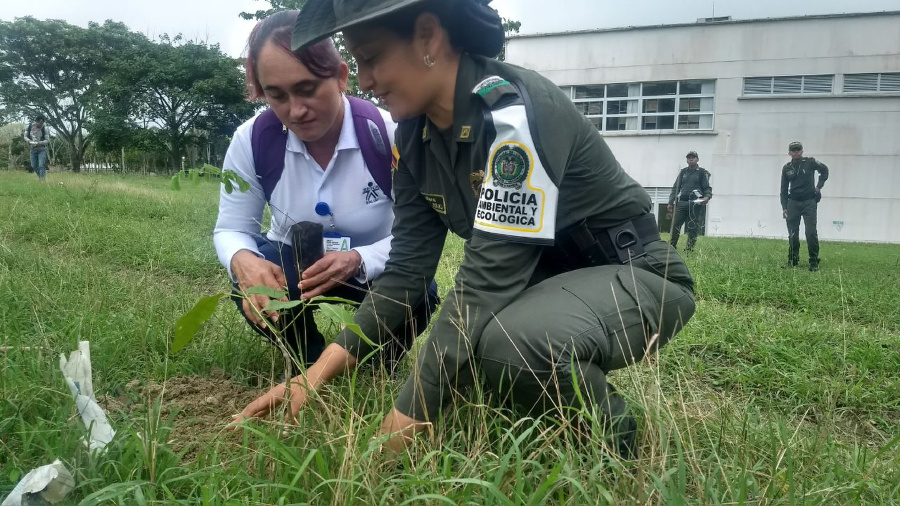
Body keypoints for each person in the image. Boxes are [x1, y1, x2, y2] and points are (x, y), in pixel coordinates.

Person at [238, 0, 696, 460]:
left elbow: (483, 285)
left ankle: (619, 447)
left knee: (512, 343)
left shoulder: (512, 117)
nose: (366, 82)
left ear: (428, 37)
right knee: (474, 359)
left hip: (636, 275)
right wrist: (316, 373)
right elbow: (406, 275)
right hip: (541, 287)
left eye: (373, 58)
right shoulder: (415, 138)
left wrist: (407, 416)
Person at [213, 11, 438, 372]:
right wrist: (243, 260)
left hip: (374, 268)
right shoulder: (252, 140)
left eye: (307, 88)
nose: (296, 110)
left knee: (420, 295)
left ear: (340, 77)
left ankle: (375, 360)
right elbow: (232, 228)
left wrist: (359, 259)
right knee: (254, 273)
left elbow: (418, 238)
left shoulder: (388, 132)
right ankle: (306, 359)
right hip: (294, 264)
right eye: (277, 95)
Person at [780, 141, 828, 271]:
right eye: (793, 150)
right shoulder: (786, 168)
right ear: (789, 152)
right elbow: (783, 189)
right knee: (793, 234)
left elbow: (825, 171)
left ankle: (813, 262)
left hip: (809, 202)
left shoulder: (810, 162)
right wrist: (784, 207)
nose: (796, 152)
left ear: (802, 151)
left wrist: (819, 186)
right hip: (793, 203)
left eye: (798, 149)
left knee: (811, 233)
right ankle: (793, 260)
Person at [666, 151, 712, 252]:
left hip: (695, 203)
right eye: (689, 157)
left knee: (692, 227)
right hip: (682, 202)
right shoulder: (683, 172)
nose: (691, 159)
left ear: (697, 159)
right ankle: (672, 247)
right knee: (676, 224)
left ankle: (689, 249)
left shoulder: (701, 172)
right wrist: (670, 202)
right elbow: (676, 188)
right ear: (687, 160)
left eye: (693, 157)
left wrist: (707, 197)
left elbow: (707, 188)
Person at [23, 115, 49, 182]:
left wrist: (39, 143)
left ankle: (42, 180)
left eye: (42, 123)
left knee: (41, 165)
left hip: (42, 149)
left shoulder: (45, 128)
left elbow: (47, 140)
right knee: (33, 166)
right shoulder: (29, 127)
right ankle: (40, 177)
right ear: (36, 121)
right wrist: (29, 141)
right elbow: (25, 136)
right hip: (33, 149)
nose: (41, 124)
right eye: (40, 123)